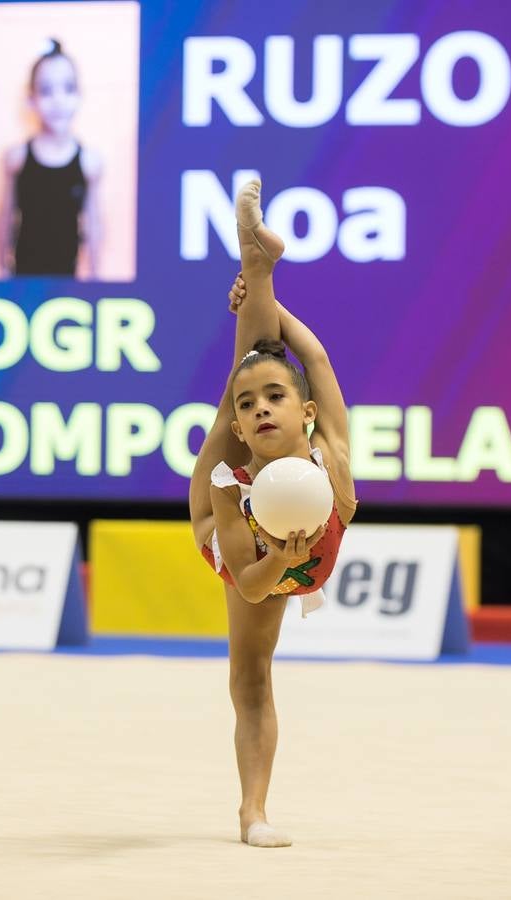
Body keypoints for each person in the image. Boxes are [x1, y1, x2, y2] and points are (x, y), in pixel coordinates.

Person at [188, 178, 359, 848]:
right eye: (249, 405)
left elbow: (311, 358)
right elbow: (250, 583)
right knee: (250, 677)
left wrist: (265, 298)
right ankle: (252, 813)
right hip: (231, 540)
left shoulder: (332, 458)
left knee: (255, 354)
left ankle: (257, 261)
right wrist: (277, 560)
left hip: (290, 546)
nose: (260, 408)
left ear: (308, 413)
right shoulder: (231, 477)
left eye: (275, 400)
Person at [0, 38, 104, 279]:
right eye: (46, 91)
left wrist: (96, 274)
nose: (58, 101)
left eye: (68, 89)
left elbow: (94, 221)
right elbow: (5, 216)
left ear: (79, 95)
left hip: (68, 280)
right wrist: (1, 269)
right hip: (22, 276)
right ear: (31, 100)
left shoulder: (89, 162)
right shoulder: (17, 158)